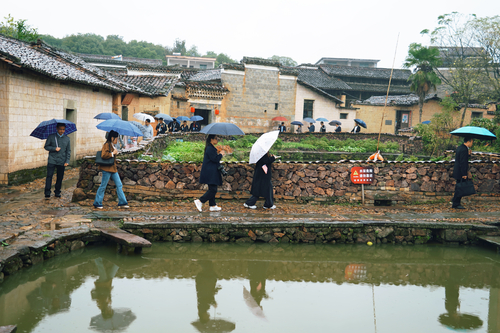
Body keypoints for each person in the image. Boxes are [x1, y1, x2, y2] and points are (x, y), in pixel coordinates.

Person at [93, 131, 129, 209]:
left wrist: (115, 153)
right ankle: (97, 202)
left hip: (113, 168)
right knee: (103, 185)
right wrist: (113, 153)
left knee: (119, 185)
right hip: (107, 169)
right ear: (112, 138)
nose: (117, 140)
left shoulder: (113, 145)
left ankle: (122, 202)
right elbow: (103, 155)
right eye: (117, 138)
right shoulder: (106, 145)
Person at [194, 135, 225, 212]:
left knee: (212, 188)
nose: (217, 140)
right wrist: (221, 154)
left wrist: (218, 153)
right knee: (213, 190)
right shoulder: (210, 148)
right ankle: (200, 201)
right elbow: (215, 159)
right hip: (211, 172)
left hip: (211, 171)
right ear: (211, 139)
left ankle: (212, 205)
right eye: (216, 139)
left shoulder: (211, 148)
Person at [44, 123, 71, 199]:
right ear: (57, 128)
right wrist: (54, 148)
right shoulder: (51, 137)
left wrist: (67, 161)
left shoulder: (67, 139)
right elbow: (46, 146)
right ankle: (47, 192)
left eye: (63, 129)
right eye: (60, 129)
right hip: (52, 160)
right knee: (49, 176)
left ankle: (57, 191)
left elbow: (68, 151)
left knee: (60, 177)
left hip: (62, 160)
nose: (62, 131)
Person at [451, 137, 473, 209]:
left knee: (459, 187)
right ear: (468, 142)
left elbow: (462, 158)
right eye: (472, 142)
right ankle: (456, 204)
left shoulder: (460, 147)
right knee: (460, 188)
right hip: (460, 172)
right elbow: (463, 162)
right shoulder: (464, 149)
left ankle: (455, 201)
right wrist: (464, 174)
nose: (472, 143)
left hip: (458, 171)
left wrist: (468, 154)